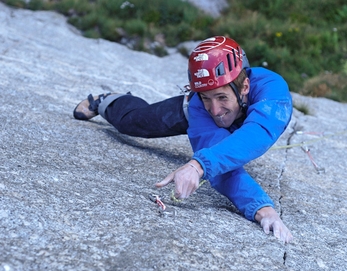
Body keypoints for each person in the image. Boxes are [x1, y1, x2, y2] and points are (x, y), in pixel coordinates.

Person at [73, 36, 294, 244]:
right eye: (207, 97)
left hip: (245, 118)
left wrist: (198, 166)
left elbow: (256, 134)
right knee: (130, 122)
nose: (215, 110)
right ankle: (107, 101)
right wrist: (261, 207)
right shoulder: (200, 107)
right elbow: (220, 170)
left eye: (221, 97)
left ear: (244, 87)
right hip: (189, 113)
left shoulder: (273, 91)